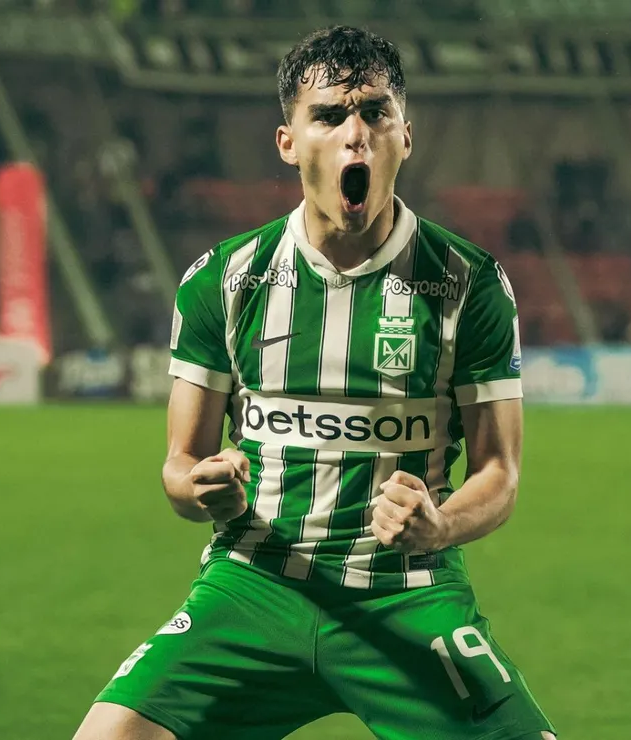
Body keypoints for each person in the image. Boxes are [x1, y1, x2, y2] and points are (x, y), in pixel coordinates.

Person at [72, 26, 557, 740]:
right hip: (252, 587)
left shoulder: (469, 283)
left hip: (405, 593)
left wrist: (440, 524)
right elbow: (180, 466)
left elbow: (499, 473)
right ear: (288, 142)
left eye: (375, 112)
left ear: (405, 136)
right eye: (329, 116)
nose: (355, 134)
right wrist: (201, 487)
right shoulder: (225, 280)